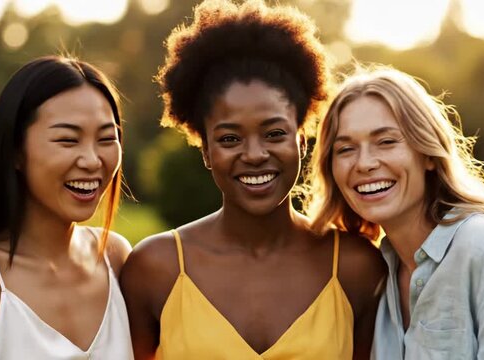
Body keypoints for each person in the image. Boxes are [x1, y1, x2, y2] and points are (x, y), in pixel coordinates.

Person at [119, 1, 386, 359]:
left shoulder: (356, 266)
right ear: (206, 152)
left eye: (274, 133)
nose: (255, 154)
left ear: (301, 140)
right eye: (230, 139)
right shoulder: (154, 268)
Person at [306, 64, 484, 359]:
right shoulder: (378, 274)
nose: (364, 163)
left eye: (386, 141)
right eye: (345, 149)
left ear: (428, 154)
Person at [0, 56, 133, 359]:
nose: (92, 161)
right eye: (67, 139)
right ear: (15, 151)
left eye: (106, 138)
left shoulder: (115, 258)